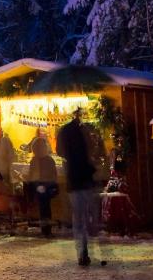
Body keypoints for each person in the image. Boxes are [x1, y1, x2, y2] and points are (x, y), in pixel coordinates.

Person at [57, 108, 98, 266]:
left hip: (74, 180)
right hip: (86, 179)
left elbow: (60, 151)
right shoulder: (85, 131)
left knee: (79, 217)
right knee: (88, 215)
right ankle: (87, 247)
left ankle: (82, 251)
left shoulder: (65, 131)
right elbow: (92, 152)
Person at [27, 133, 57, 237]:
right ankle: (46, 229)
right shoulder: (48, 160)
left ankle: (45, 229)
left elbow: (32, 175)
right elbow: (53, 175)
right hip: (45, 187)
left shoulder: (35, 160)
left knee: (44, 207)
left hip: (43, 187)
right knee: (45, 207)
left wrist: (38, 186)